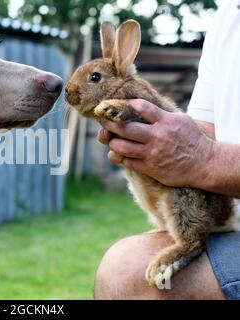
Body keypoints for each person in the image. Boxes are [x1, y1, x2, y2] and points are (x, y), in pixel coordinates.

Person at [94, 0, 240, 300]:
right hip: (230, 221)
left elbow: (203, 152)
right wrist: (155, 148)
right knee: (124, 264)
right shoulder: (228, 15)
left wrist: (206, 159)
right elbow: (203, 131)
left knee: (128, 276)